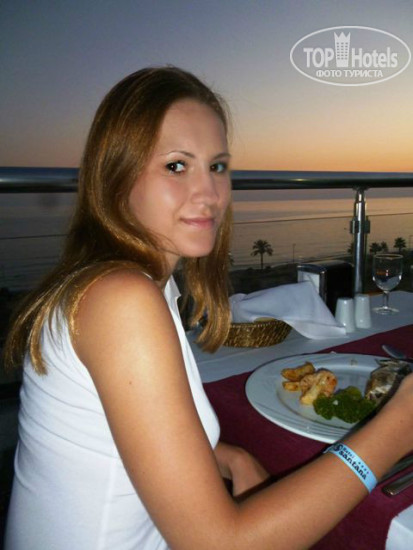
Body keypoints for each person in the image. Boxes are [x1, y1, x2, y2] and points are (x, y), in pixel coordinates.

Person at [3, 66, 413, 550]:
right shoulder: (121, 300)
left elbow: (119, 433)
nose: (210, 194)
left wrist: (227, 455)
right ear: (116, 176)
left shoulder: (127, 283)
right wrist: (395, 428)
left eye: (217, 166)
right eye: (177, 166)